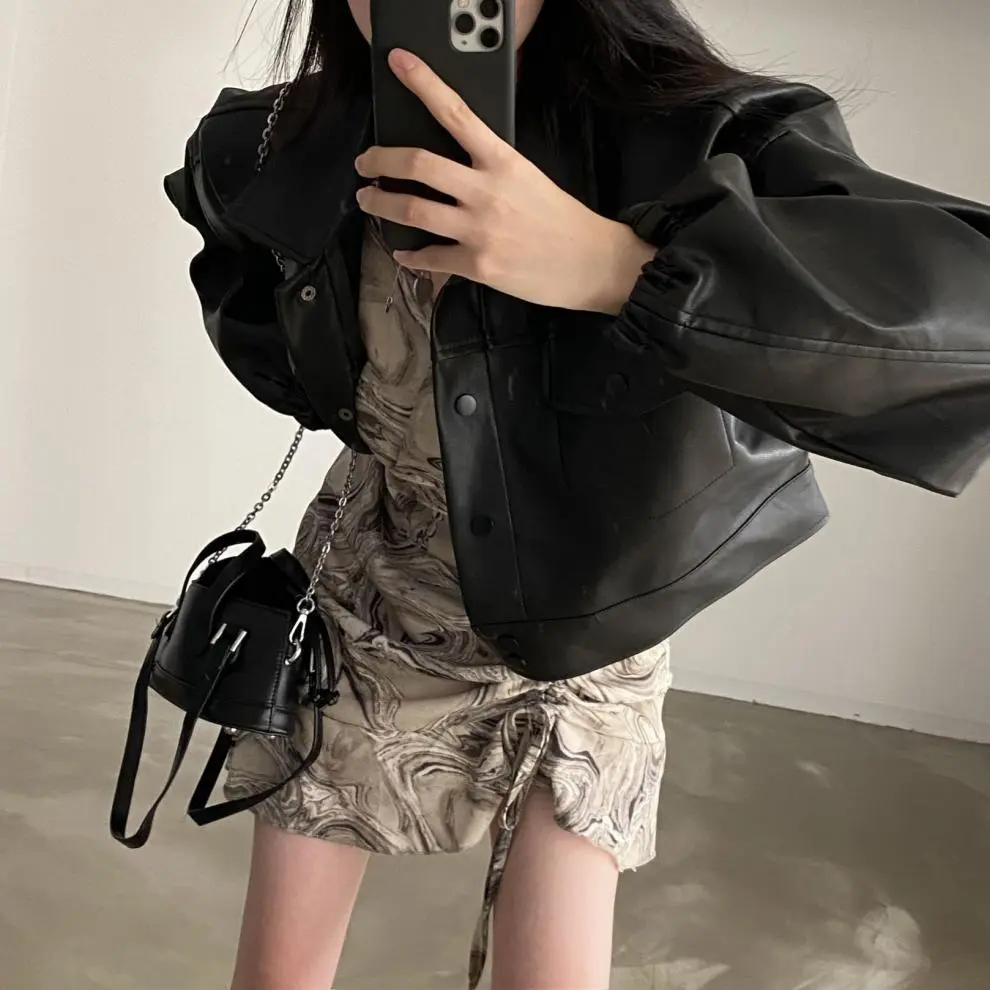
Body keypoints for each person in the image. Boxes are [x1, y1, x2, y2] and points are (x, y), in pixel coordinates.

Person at [164, 1, 990, 987]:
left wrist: (620, 270)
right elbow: (282, 333)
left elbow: (967, 318)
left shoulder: (692, 138)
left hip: (585, 631)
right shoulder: (283, 141)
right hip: (369, 596)